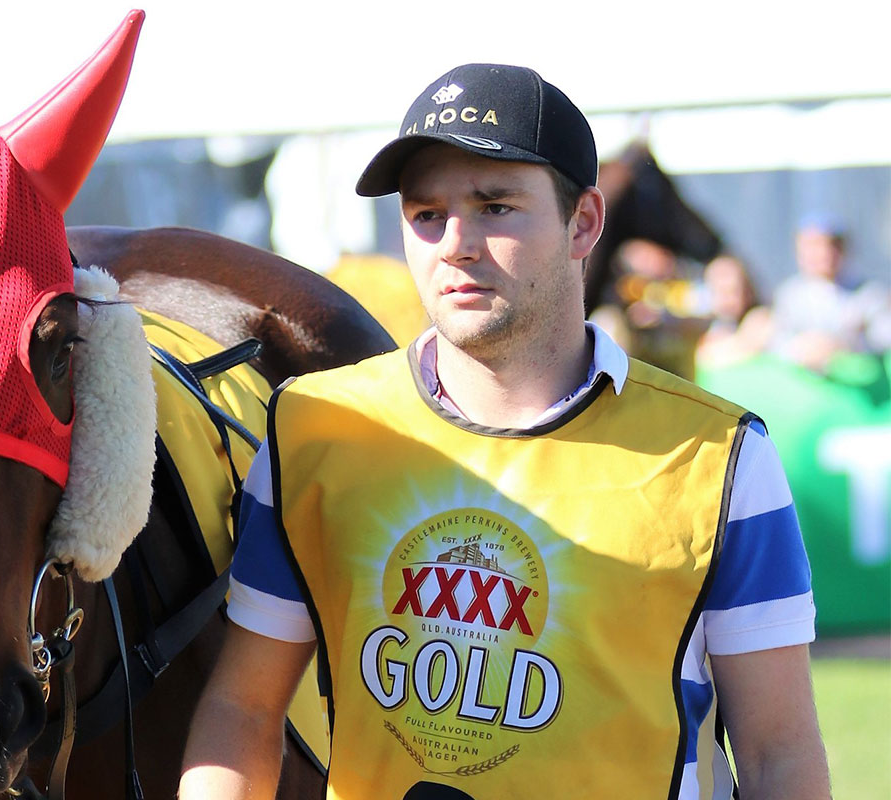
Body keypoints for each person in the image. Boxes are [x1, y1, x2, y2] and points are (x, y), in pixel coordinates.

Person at [180, 64, 830, 799]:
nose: (455, 244)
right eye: (426, 214)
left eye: (495, 207)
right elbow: (242, 709)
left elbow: (778, 754)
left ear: (584, 222)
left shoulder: (721, 456)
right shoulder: (313, 428)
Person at [770, 213, 891, 373]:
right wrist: (804, 347)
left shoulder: (868, 294)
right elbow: (776, 342)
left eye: (831, 246)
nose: (823, 254)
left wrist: (850, 342)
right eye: (813, 246)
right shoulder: (789, 295)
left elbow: (884, 337)